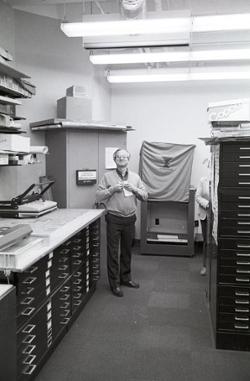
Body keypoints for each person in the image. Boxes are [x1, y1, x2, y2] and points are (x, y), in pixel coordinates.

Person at [96, 148, 148, 297]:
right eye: (118, 157)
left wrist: (135, 189)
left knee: (127, 251)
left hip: (130, 219)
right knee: (113, 252)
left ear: (128, 159)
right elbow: (98, 196)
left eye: (124, 157)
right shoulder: (107, 177)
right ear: (114, 160)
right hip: (114, 218)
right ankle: (115, 284)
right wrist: (111, 189)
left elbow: (145, 196)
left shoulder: (135, 177)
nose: (121, 159)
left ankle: (126, 278)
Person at [196, 172, 210, 276]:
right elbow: (197, 196)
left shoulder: (220, 179)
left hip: (216, 214)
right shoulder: (203, 180)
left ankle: (215, 264)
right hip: (205, 213)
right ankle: (204, 266)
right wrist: (207, 204)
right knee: (206, 240)